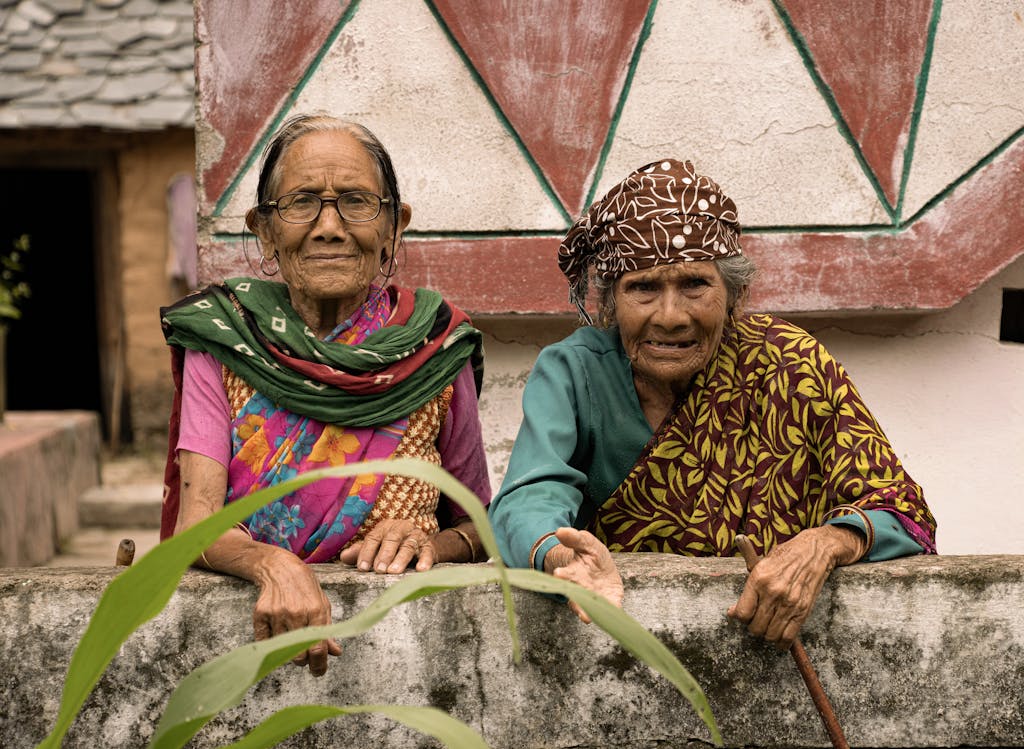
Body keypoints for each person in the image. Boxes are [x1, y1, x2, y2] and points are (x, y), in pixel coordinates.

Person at [489, 158, 936, 648]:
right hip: (628, 645)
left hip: (774, 647)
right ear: (610, 304)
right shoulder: (574, 372)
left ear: (734, 296)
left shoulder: (788, 364)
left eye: (694, 284)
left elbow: (901, 512)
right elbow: (527, 500)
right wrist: (562, 556)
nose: (671, 316)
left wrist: (824, 543)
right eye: (642, 288)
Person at [160, 114, 491, 676]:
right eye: (302, 202)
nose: (330, 226)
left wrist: (433, 541)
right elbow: (198, 525)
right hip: (249, 661)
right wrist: (272, 564)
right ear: (263, 229)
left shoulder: (433, 346)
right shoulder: (222, 340)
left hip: (409, 664)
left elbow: (479, 525)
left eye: (357, 202)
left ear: (394, 226)